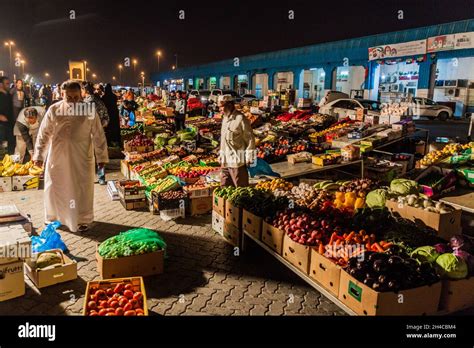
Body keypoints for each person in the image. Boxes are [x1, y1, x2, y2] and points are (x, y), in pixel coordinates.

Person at [33, 80, 109, 233]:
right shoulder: (54, 109)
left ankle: (82, 219)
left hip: (81, 157)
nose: (73, 101)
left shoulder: (88, 110)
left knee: (81, 189)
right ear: (62, 95)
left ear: (81, 95)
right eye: (69, 97)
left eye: (76, 97)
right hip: (57, 157)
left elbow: (98, 135)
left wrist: (101, 158)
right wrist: (39, 155)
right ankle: (54, 218)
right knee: (54, 186)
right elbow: (43, 134)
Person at [218, 95, 256, 187]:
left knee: (241, 188)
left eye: (221, 107)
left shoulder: (241, 119)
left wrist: (249, 158)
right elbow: (223, 139)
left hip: (237, 162)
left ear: (230, 105)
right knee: (224, 187)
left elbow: (250, 139)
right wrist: (220, 154)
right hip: (225, 160)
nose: (220, 109)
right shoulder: (225, 118)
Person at [82, 81, 109, 185]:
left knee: (87, 156)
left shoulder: (84, 103)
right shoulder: (99, 101)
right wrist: (101, 126)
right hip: (100, 132)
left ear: (85, 90)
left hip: (87, 133)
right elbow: (106, 117)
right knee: (100, 156)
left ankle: (87, 178)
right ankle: (101, 178)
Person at [0, 77, 15, 153]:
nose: (9, 85)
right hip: (1, 124)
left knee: (11, 142)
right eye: (7, 84)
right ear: (1, 84)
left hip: (9, 122)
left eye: (9, 83)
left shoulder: (8, 94)